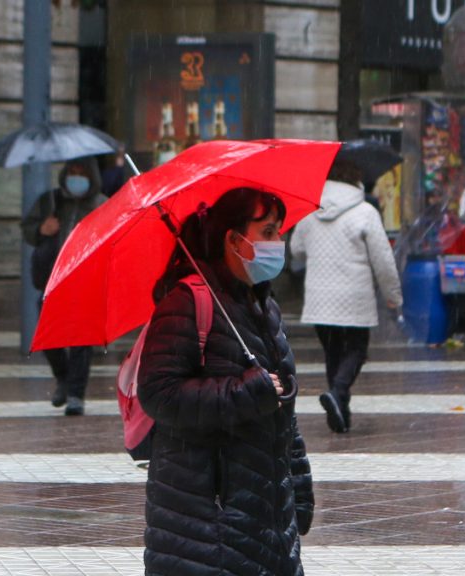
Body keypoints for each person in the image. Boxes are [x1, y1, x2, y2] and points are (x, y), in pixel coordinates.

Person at [138, 188, 313, 575]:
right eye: (267, 232)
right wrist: (246, 392)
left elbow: (282, 408)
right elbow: (158, 394)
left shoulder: (262, 306)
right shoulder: (186, 302)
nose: (278, 243)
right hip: (207, 518)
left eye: (279, 232)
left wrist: (297, 490)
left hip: (266, 516)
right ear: (234, 239)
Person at [290, 160, 403, 433]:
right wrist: (393, 296)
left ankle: (341, 408)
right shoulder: (365, 212)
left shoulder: (310, 211)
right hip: (355, 297)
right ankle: (338, 392)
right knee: (356, 350)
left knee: (333, 351)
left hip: (319, 297)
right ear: (357, 180)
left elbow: (296, 249)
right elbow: (383, 260)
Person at [21, 157, 105, 416]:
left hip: (85, 280)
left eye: (82, 171)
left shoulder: (101, 204)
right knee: (48, 334)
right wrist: (42, 229)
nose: (76, 176)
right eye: (72, 171)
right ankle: (63, 378)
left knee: (81, 340)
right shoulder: (51, 201)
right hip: (53, 280)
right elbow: (28, 227)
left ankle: (76, 394)